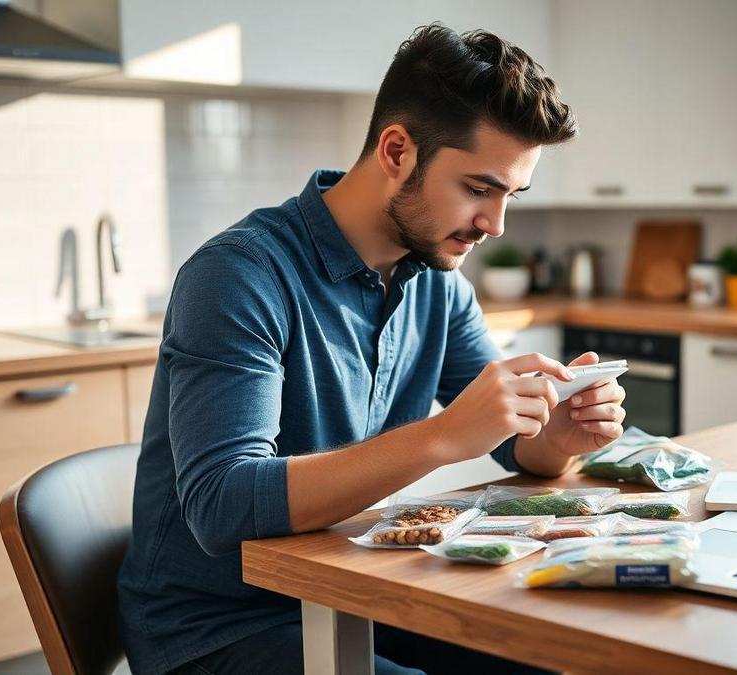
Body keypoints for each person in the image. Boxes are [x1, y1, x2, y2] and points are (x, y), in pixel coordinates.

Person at [117, 24, 627, 675]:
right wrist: (444, 435)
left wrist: (555, 434)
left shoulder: (437, 282)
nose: (496, 225)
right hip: (217, 630)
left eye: (510, 196)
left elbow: (512, 444)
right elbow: (222, 504)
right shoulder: (240, 275)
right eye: (479, 188)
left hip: (357, 593)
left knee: (561, 656)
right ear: (396, 151)